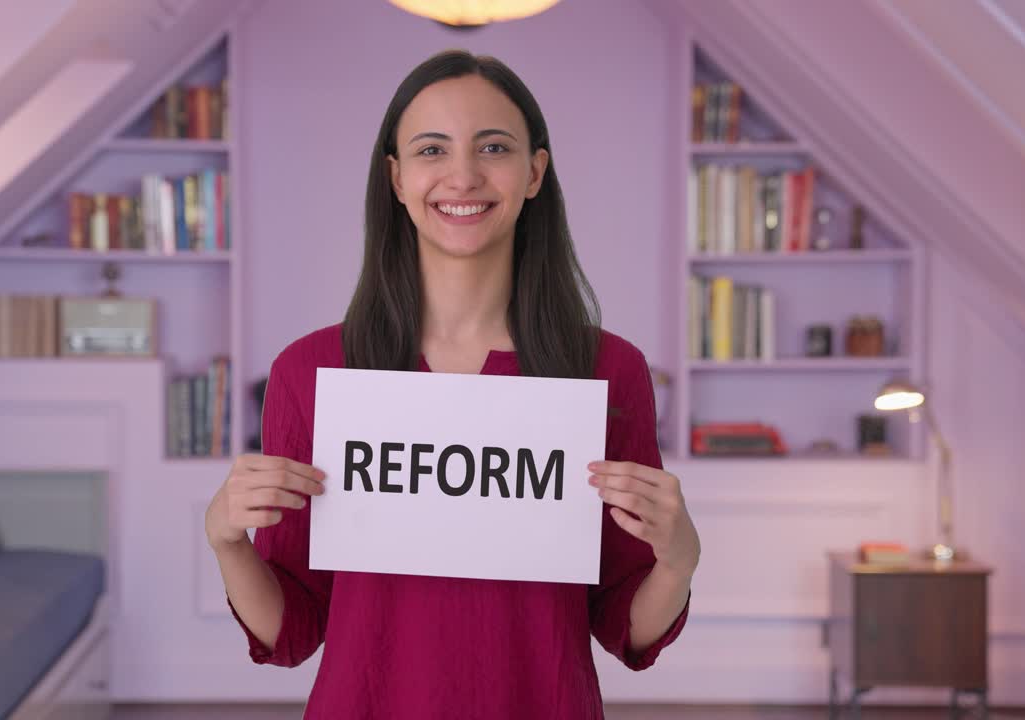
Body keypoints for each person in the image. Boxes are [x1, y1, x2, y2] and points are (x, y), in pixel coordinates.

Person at [204, 49, 701, 719]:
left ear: (534, 172)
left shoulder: (608, 371)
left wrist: (678, 560)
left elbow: (625, 628)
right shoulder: (311, 372)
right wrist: (225, 540)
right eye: (432, 149)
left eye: (492, 147)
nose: (463, 175)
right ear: (397, 178)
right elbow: (292, 632)